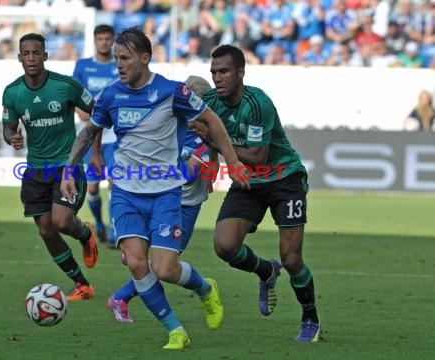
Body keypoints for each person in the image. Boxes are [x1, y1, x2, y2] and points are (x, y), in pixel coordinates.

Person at [61, 27, 249, 350]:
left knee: (164, 268)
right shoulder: (110, 95)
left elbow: (213, 122)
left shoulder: (171, 91)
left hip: (165, 192)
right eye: (117, 57)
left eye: (125, 58)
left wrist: (232, 161)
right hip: (125, 192)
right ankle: (176, 329)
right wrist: (69, 167)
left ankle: (205, 288)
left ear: (145, 58)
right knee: (136, 263)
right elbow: (89, 130)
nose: (118, 64)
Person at [202, 44, 323, 342]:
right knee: (224, 246)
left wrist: (216, 143)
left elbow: (256, 154)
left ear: (241, 72)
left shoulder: (257, 104)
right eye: (214, 72)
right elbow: (201, 130)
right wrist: (209, 165)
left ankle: (310, 318)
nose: (218, 78)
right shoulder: (209, 101)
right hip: (249, 182)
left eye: (224, 71)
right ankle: (266, 271)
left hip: (284, 178)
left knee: (292, 258)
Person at [105, 75, 219, 324]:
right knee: (148, 261)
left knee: (164, 266)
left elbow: (189, 173)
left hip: (185, 205)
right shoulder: (167, 126)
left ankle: (121, 296)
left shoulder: (202, 140)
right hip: (160, 199)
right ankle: (121, 298)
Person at [1, 33, 99, 302]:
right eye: (26, 54)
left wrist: (96, 153)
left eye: (36, 53)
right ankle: (82, 284)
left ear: (45, 56)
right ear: (19, 57)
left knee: (62, 221)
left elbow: (98, 114)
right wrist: (13, 138)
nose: (31, 58)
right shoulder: (12, 92)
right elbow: (7, 129)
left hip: (66, 166)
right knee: (46, 230)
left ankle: (85, 233)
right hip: (35, 170)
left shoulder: (65, 86)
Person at [72, 24, 118, 247]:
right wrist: (80, 110)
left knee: (115, 183)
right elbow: (74, 96)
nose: (104, 42)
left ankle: (112, 232)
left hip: (115, 137)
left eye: (108, 38)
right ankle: (99, 223)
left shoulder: (120, 65)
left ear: (113, 40)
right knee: (92, 187)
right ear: (94, 40)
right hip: (91, 136)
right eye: (100, 38)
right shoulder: (83, 66)